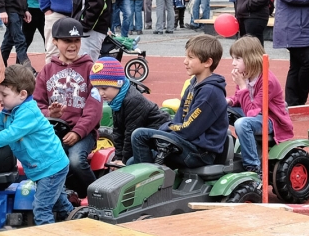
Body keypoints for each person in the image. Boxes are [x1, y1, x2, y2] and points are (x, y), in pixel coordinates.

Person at [0, 64, 73, 225]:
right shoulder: (8, 111)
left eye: (4, 94)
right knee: (58, 202)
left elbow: (10, 134)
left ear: (22, 94)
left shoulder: (28, 112)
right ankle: (75, 218)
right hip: (41, 168)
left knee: (41, 208)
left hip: (52, 168)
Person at [131, 34, 228, 168]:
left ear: (207, 62)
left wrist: (165, 128)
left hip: (201, 153)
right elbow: (179, 119)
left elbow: (188, 129)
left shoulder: (210, 92)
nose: (185, 61)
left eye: (190, 57)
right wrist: (167, 128)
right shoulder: (192, 84)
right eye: (186, 56)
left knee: (140, 135)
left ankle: (147, 184)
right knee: (131, 162)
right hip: (187, 143)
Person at [33, 17, 103, 197]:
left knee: (75, 161)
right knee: (43, 162)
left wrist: (78, 132)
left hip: (84, 133)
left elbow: (94, 108)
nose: (73, 45)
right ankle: (60, 196)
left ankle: (99, 194)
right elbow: (36, 104)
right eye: (67, 40)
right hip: (54, 132)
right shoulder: (47, 71)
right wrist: (50, 113)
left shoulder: (90, 69)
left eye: (76, 40)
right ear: (55, 41)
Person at [227, 36, 294, 172]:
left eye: (238, 58)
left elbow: (251, 112)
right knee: (221, 109)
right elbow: (238, 99)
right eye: (233, 58)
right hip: (254, 114)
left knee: (242, 123)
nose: (233, 63)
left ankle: (253, 166)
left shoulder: (267, 80)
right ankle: (227, 152)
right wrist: (228, 101)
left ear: (251, 58)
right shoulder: (246, 74)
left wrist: (242, 86)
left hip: (271, 120)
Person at [89, 57, 169, 164]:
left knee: (130, 163)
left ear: (117, 83)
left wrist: (123, 161)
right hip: (142, 140)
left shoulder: (132, 100)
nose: (101, 93)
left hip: (159, 142)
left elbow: (130, 133)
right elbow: (118, 132)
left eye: (104, 88)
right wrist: (118, 157)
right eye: (98, 89)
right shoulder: (116, 100)